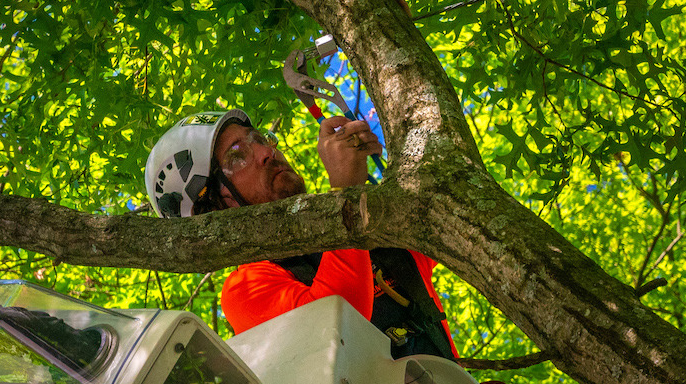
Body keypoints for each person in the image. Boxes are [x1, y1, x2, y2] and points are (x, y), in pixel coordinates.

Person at [144, 108, 456, 359]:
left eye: (259, 139)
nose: (268, 151)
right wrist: (346, 194)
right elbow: (339, 326)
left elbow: (445, 224)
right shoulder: (246, 289)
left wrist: (400, 159)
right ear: (209, 207)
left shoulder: (360, 228)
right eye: (237, 155)